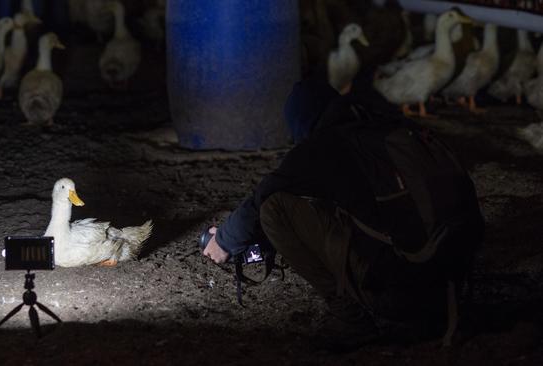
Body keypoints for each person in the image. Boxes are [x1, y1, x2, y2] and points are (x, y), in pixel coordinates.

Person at [202, 69, 485, 346]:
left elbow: (263, 195)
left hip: (400, 295)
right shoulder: (382, 127)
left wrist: (225, 240)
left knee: (275, 210)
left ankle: (352, 318)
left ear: (302, 121)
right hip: (450, 289)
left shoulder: (325, 144)